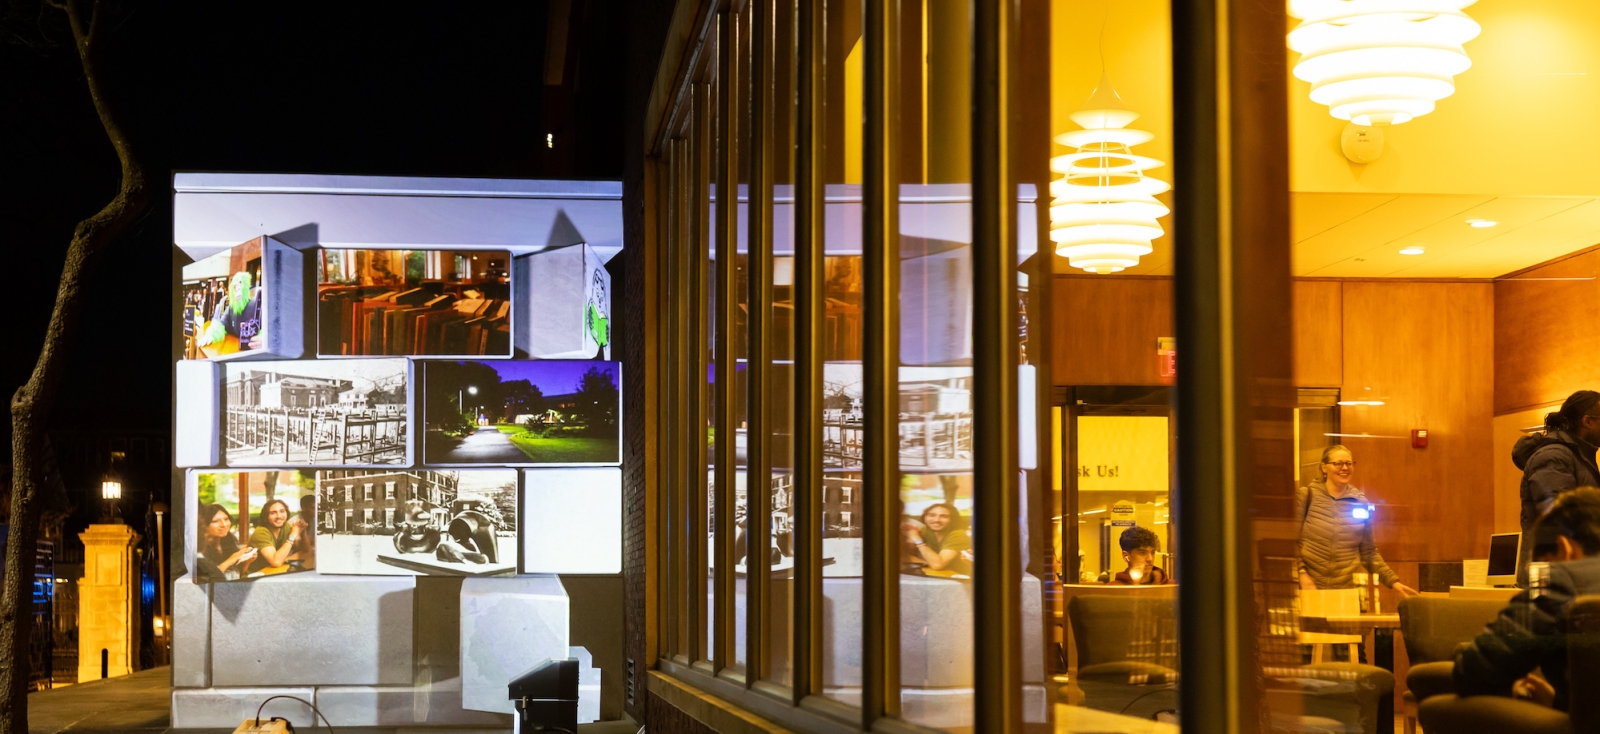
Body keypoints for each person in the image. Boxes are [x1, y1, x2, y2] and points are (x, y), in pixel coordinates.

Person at [1452, 487, 1600, 712]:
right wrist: (1559, 700)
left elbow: (1474, 670)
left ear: (1564, 548)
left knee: (1446, 706)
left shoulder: (1555, 579)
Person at [1296, 445, 1419, 598]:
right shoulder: (1307, 496)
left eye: (1349, 463)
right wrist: (1301, 573)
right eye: (1338, 463)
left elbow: (1369, 553)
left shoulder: (1361, 502)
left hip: (1346, 592)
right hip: (1309, 588)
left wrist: (1393, 581)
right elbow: (1290, 543)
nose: (1345, 468)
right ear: (1324, 467)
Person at [1512, 390, 1600, 586]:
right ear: (1587, 421)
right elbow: (1558, 517)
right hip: (1551, 578)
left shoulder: (1578, 458)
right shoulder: (1554, 457)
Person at [903, 502, 972, 576]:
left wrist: (917, 539)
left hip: (960, 578)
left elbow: (937, 565)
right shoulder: (926, 530)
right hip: (938, 575)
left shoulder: (958, 535)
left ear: (952, 519)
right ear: (925, 517)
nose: (936, 520)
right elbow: (903, 556)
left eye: (944, 516)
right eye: (931, 515)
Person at [196, 504, 256, 583]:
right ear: (204, 525)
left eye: (226, 519)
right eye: (215, 521)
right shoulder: (200, 549)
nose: (224, 525)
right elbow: (207, 580)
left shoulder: (229, 540)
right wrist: (231, 559)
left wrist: (247, 562)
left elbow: (237, 575)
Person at [248, 498, 305, 574]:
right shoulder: (261, 532)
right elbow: (276, 562)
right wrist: (293, 535)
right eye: (273, 513)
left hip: (274, 571)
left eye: (282, 511)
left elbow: (305, 549)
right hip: (257, 574)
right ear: (266, 516)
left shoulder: (284, 526)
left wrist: (302, 530)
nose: (279, 516)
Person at [293, 494, 317, 570]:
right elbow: (300, 545)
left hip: (307, 554)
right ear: (303, 508)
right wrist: (311, 540)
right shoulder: (295, 522)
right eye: (313, 508)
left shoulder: (313, 519)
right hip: (294, 558)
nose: (316, 510)